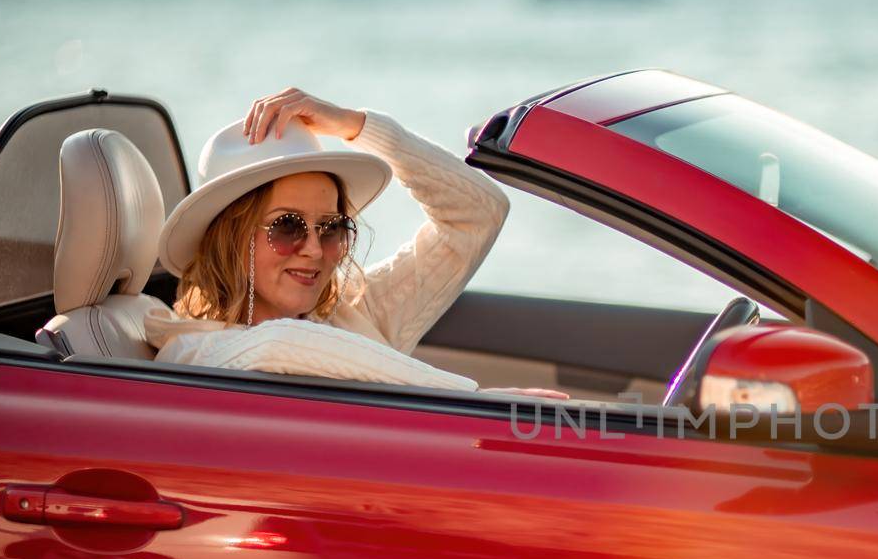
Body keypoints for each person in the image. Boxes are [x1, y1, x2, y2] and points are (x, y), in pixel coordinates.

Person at [144, 87, 564, 398]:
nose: (313, 248)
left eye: (331, 228)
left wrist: (353, 126)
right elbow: (280, 346)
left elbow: (479, 212)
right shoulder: (191, 350)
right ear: (229, 238)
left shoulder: (358, 314)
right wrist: (472, 403)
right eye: (288, 227)